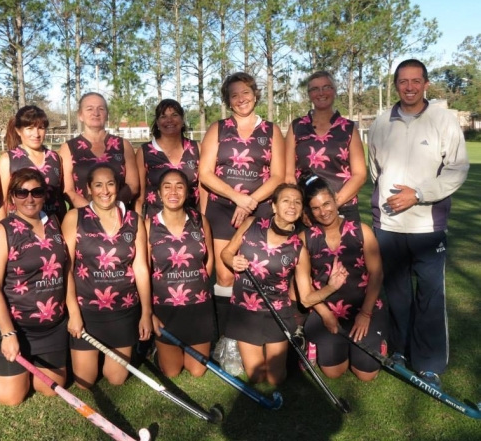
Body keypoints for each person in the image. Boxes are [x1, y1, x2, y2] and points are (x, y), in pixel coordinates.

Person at [368, 58, 469, 389]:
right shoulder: (381, 122)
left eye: (415, 81)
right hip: (389, 226)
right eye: (403, 81)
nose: (409, 87)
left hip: (428, 227)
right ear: (395, 85)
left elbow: (457, 168)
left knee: (430, 296)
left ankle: (428, 365)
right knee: (397, 294)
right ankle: (399, 351)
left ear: (426, 84)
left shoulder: (443, 120)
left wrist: (420, 194)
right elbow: (375, 170)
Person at [221, 184, 335, 385]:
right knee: (256, 377)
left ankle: (293, 351)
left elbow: (306, 298)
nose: (292, 205)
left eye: (297, 202)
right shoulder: (251, 223)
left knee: (275, 379)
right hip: (245, 310)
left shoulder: (298, 248)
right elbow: (226, 252)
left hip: (276, 313)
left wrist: (332, 287)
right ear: (274, 206)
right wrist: (232, 261)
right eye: (286, 200)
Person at [199, 72, 285, 337]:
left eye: (245, 92)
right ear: (227, 100)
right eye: (234, 95)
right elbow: (205, 173)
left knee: (258, 272)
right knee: (225, 275)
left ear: (255, 94)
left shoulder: (271, 130)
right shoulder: (217, 128)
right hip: (222, 209)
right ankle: (228, 339)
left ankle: (258, 332)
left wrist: (251, 201)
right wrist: (237, 197)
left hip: (259, 210)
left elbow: (278, 176)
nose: (241, 99)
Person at [0, 168, 68, 405]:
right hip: (13, 324)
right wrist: (8, 333)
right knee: (11, 398)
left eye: (37, 192)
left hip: (51, 327)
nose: (30, 198)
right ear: (12, 197)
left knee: (51, 389)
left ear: (44, 195)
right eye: (22, 192)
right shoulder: (2, 231)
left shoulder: (54, 223)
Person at [63, 164, 152, 389]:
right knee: (84, 382)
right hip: (87, 310)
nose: (105, 191)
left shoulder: (134, 220)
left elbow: (141, 268)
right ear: (88, 189)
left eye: (110, 184)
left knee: (116, 379)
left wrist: (146, 313)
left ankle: (129, 348)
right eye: (98, 185)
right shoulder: (75, 217)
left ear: (118, 187)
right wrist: (73, 313)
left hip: (123, 310)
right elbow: (66, 269)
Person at [299, 172, 386, 381]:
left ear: (335, 199)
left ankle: (379, 342)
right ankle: (316, 342)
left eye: (326, 204)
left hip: (363, 307)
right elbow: (305, 291)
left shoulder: (362, 231)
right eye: (315, 208)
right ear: (309, 211)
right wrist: (325, 315)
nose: (323, 212)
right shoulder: (305, 238)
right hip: (327, 309)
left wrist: (365, 313)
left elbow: (377, 273)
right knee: (333, 372)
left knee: (365, 374)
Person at [146, 169, 214, 377]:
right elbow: (144, 269)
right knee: (172, 372)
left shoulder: (200, 220)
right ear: (159, 193)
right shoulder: (149, 225)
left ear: (187, 192)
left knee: (197, 370)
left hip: (198, 305)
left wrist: (200, 288)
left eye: (179, 186)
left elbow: (209, 259)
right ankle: (158, 349)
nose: (173, 192)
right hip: (165, 307)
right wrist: (149, 312)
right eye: (167, 187)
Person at [285, 71, 366, 222]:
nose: (321, 93)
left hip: (343, 207)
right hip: (307, 212)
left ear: (334, 90)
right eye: (315, 89)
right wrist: (302, 207)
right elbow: (289, 174)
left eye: (326, 87)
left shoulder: (348, 128)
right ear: (309, 94)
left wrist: (331, 205)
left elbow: (360, 175)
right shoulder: (297, 126)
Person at [59, 92, 139, 208]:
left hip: (117, 212)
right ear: (80, 115)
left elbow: (133, 185)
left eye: (101, 109)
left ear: (107, 114)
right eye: (89, 109)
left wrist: (110, 208)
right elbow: (68, 190)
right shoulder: (68, 148)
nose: (95, 113)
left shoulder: (123, 145)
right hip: (83, 214)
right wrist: (93, 212)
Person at [0, 105, 66, 221]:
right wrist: (2, 228)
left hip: (52, 226)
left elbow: (60, 198)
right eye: (30, 128)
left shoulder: (56, 158)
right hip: (19, 226)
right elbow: (3, 201)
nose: (36, 134)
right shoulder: (8, 159)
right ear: (18, 131)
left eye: (41, 128)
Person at [135, 99, 201, 219]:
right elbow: (139, 197)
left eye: (174, 115)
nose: (169, 120)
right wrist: (140, 225)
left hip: (191, 221)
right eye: (163, 116)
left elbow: (204, 191)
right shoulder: (144, 152)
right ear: (157, 123)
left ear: (182, 120)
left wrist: (202, 220)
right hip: (155, 222)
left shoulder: (197, 149)